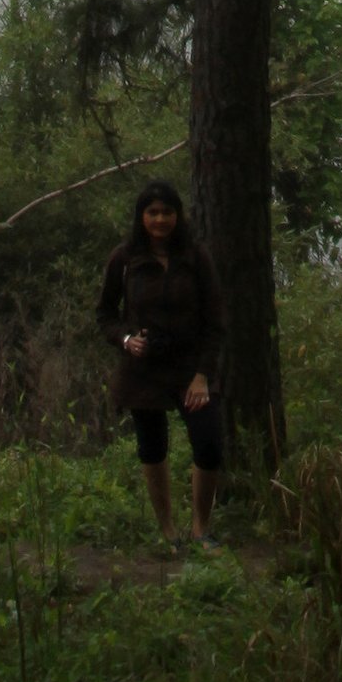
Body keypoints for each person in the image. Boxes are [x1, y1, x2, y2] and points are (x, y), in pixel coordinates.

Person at [96, 178, 224, 547]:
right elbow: (105, 314)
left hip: (190, 366)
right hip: (144, 369)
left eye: (167, 212)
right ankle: (168, 532)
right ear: (141, 217)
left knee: (209, 443)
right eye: (152, 212)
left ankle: (201, 529)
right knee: (152, 447)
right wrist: (125, 339)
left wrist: (202, 375)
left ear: (177, 216)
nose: (160, 219)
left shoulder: (196, 257)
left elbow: (215, 320)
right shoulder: (125, 259)